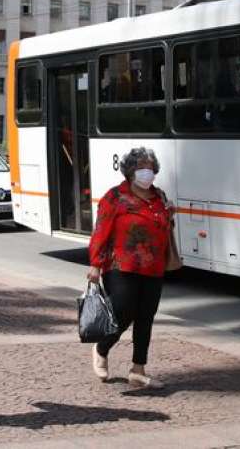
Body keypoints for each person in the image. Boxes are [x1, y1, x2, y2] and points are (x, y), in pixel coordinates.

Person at [87, 146, 174, 389]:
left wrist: (170, 216)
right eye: (140, 168)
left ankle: (138, 369)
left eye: (150, 168)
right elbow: (101, 232)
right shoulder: (115, 197)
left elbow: (164, 227)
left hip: (153, 267)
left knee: (146, 316)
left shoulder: (160, 197)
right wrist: (95, 264)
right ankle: (102, 347)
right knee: (123, 310)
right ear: (130, 172)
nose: (147, 172)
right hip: (120, 265)